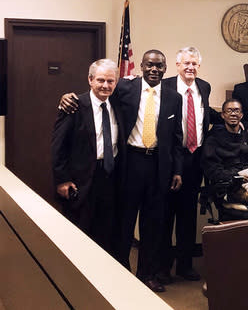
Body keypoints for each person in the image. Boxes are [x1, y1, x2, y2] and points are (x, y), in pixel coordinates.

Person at [59, 50, 183, 292]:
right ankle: (121, 270)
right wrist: (66, 97)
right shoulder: (125, 88)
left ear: (166, 68)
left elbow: (176, 138)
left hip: (159, 166)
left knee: (153, 223)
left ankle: (147, 274)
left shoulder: (173, 98)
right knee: (123, 222)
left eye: (159, 66)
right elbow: (97, 93)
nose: (154, 70)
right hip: (130, 163)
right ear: (143, 67)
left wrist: (177, 170)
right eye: (149, 65)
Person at [51, 59, 125, 260]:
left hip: (110, 177)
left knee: (105, 232)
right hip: (81, 181)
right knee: (79, 232)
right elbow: (58, 146)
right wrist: (62, 179)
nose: (105, 85)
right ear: (90, 80)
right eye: (100, 80)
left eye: (111, 81)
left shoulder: (118, 106)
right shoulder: (74, 106)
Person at [158, 47, 220, 283]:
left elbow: (208, 116)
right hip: (172, 157)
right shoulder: (165, 86)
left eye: (194, 63)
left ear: (199, 66)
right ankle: (163, 267)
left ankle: (185, 265)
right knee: (166, 214)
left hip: (195, 159)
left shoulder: (203, 86)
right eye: (186, 63)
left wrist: (241, 121)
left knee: (187, 215)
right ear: (177, 65)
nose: (190, 67)